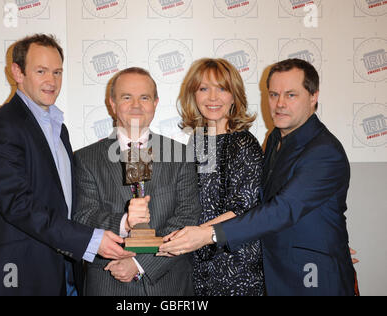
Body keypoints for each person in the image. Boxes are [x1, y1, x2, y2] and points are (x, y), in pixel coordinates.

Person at [160, 58, 356, 296]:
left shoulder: (324, 151)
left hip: (309, 275)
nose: (280, 104)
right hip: (272, 268)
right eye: (273, 94)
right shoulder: (275, 138)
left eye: (291, 95)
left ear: (313, 96)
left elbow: (282, 209)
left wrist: (207, 234)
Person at [0, 34, 134, 296]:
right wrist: (90, 240)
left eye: (57, 72)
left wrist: (119, 224)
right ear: (17, 72)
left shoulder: (59, 129)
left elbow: (65, 203)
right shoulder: (0, 126)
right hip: (15, 275)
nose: (51, 81)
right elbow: (18, 204)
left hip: (63, 271)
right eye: (41, 71)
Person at [73, 67, 202, 296]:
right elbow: (84, 216)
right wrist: (125, 222)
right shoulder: (85, 159)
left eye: (144, 97)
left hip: (169, 286)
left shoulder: (181, 155)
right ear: (112, 104)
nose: (136, 105)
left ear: (155, 103)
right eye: (126, 97)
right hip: (108, 283)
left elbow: (187, 217)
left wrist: (141, 263)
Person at [175, 58, 265, 295]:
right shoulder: (196, 141)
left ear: (234, 96)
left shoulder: (244, 143)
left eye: (222, 89)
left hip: (236, 263)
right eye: (204, 88)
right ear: (193, 95)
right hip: (198, 261)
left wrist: (195, 235)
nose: (212, 98)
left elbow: (243, 209)